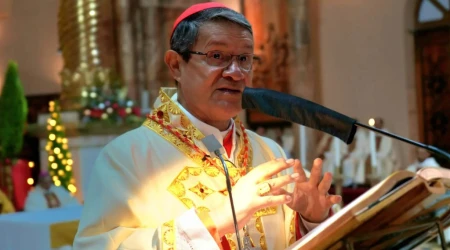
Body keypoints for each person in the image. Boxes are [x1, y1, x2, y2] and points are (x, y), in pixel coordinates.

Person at [73, 3, 341, 249]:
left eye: (245, 59)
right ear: (176, 65)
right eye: (217, 55)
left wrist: (311, 219)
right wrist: (214, 221)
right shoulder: (126, 157)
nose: (235, 72)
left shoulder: (270, 153)